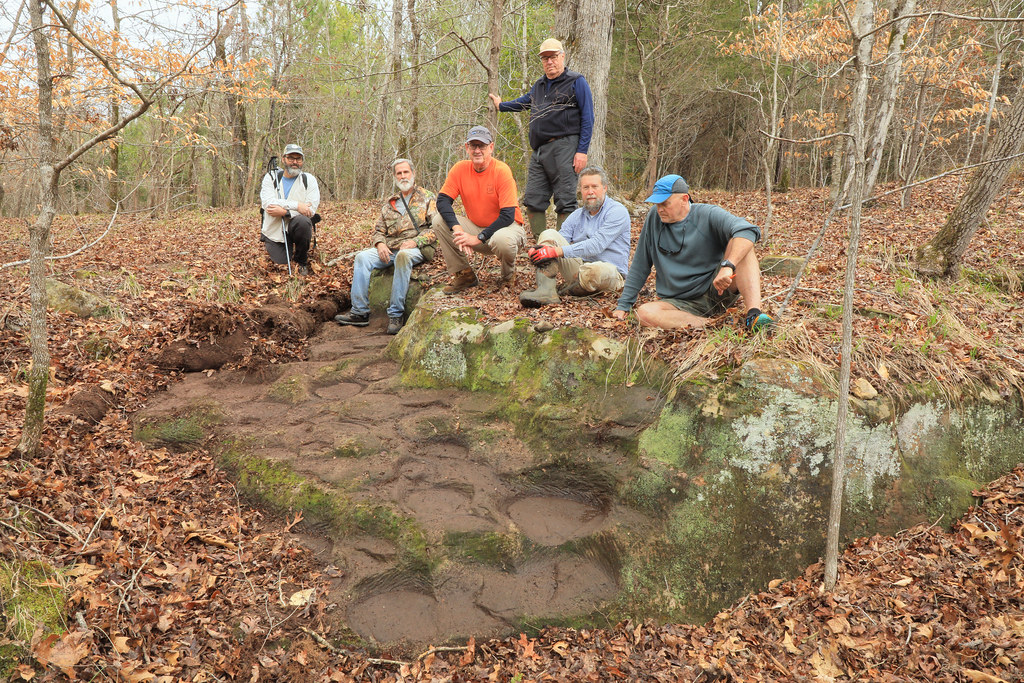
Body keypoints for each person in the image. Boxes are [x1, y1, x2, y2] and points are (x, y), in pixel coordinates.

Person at [612, 174, 775, 332]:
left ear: (684, 199)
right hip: (678, 303)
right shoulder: (654, 218)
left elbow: (748, 230)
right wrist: (623, 305)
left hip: (717, 289)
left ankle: (754, 315)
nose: (660, 209)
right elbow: (640, 264)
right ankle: (714, 325)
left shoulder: (707, 214)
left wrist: (728, 266)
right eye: (656, 204)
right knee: (644, 313)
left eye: (665, 203)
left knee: (742, 243)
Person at [488, 38, 594, 238]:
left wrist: (582, 151)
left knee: (565, 200)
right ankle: (542, 244)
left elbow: (588, 117)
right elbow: (525, 102)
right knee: (533, 199)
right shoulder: (539, 85)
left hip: (565, 147)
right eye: (545, 58)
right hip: (539, 151)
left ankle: (560, 247)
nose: (549, 62)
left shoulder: (576, 81)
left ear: (562, 56)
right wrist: (502, 106)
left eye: (553, 57)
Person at [334, 158, 437, 335]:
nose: (403, 176)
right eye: (399, 173)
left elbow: (437, 228)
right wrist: (380, 244)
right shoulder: (391, 203)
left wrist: (415, 242)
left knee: (403, 257)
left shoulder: (427, 197)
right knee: (362, 257)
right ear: (395, 177)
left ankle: (396, 315)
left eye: (406, 172)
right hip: (390, 248)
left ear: (413, 173)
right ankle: (359, 312)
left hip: (415, 248)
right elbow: (378, 230)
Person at [431, 125, 528, 294]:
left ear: (491, 147)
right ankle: (464, 275)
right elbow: (443, 201)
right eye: (473, 146)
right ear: (467, 148)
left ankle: (507, 278)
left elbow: (507, 216)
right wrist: (458, 230)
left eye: (482, 146)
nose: (477, 150)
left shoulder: (501, 171)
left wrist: (478, 238)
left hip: (508, 229)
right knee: (438, 220)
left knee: (502, 239)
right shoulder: (460, 169)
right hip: (477, 228)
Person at [520, 166, 630, 308]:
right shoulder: (576, 215)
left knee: (593, 271)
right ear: (581, 191)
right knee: (548, 234)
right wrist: (539, 250)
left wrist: (557, 251)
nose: (590, 192)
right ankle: (546, 291)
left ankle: (566, 290)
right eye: (586, 187)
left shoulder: (617, 212)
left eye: (594, 186)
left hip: (610, 273)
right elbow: (558, 240)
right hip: (579, 270)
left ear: (604, 188)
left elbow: (596, 245)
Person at [260, 143, 321, 276]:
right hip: (275, 229)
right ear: (283, 159)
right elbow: (268, 203)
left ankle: (301, 261)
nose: (294, 162)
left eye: (298, 159)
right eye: (291, 158)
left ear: (302, 161)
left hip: (297, 225)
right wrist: (297, 206)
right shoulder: (271, 177)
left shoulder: (309, 180)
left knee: (303, 222)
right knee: (281, 262)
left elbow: (311, 210)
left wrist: (285, 212)